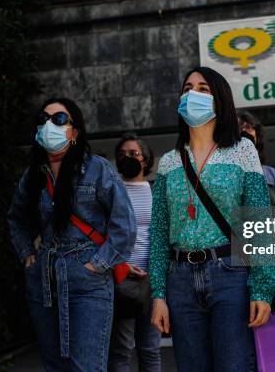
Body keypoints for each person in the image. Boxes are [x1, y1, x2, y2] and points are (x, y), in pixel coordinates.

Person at [149, 66, 275, 372]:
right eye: (187, 88)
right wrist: (158, 293)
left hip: (230, 275)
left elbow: (258, 222)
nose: (192, 94)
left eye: (203, 89)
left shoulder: (242, 151)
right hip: (179, 279)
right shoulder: (169, 161)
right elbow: (158, 232)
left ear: (220, 100)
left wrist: (262, 288)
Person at [8, 97, 137, 371]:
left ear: (75, 132)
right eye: (43, 119)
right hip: (43, 279)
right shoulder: (32, 175)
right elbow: (16, 218)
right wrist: (27, 255)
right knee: (54, 366)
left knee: (85, 366)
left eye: (60, 119)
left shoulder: (96, 168)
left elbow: (124, 224)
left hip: (87, 280)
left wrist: (96, 264)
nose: (49, 125)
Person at [109, 132, 161, 372]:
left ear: (146, 159)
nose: (127, 157)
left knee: (150, 349)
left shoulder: (157, 192)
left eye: (133, 153)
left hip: (151, 282)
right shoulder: (110, 191)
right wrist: (120, 266)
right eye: (122, 154)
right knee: (121, 349)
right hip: (121, 279)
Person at [238, 111, 275, 222]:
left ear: (257, 137)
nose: (244, 131)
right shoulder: (224, 172)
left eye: (248, 127)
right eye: (239, 128)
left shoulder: (273, 174)